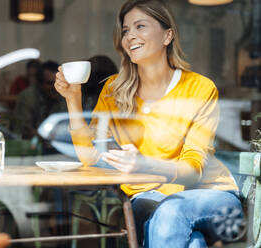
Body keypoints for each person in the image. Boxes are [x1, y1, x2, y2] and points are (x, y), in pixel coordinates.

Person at [54, 0, 243, 247]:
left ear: (168, 36)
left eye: (140, 26)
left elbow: (194, 171)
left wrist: (145, 164)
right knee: (192, 242)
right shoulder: (113, 90)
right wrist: (73, 100)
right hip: (147, 198)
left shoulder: (199, 88)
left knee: (171, 212)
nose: (130, 36)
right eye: (125, 30)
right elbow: (90, 156)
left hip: (212, 196)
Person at [13, 60, 67, 153]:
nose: (55, 87)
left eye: (58, 83)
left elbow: (67, 129)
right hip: (30, 150)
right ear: (39, 83)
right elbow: (23, 131)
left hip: (58, 149)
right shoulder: (27, 98)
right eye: (50, 83)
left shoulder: (64, 96)